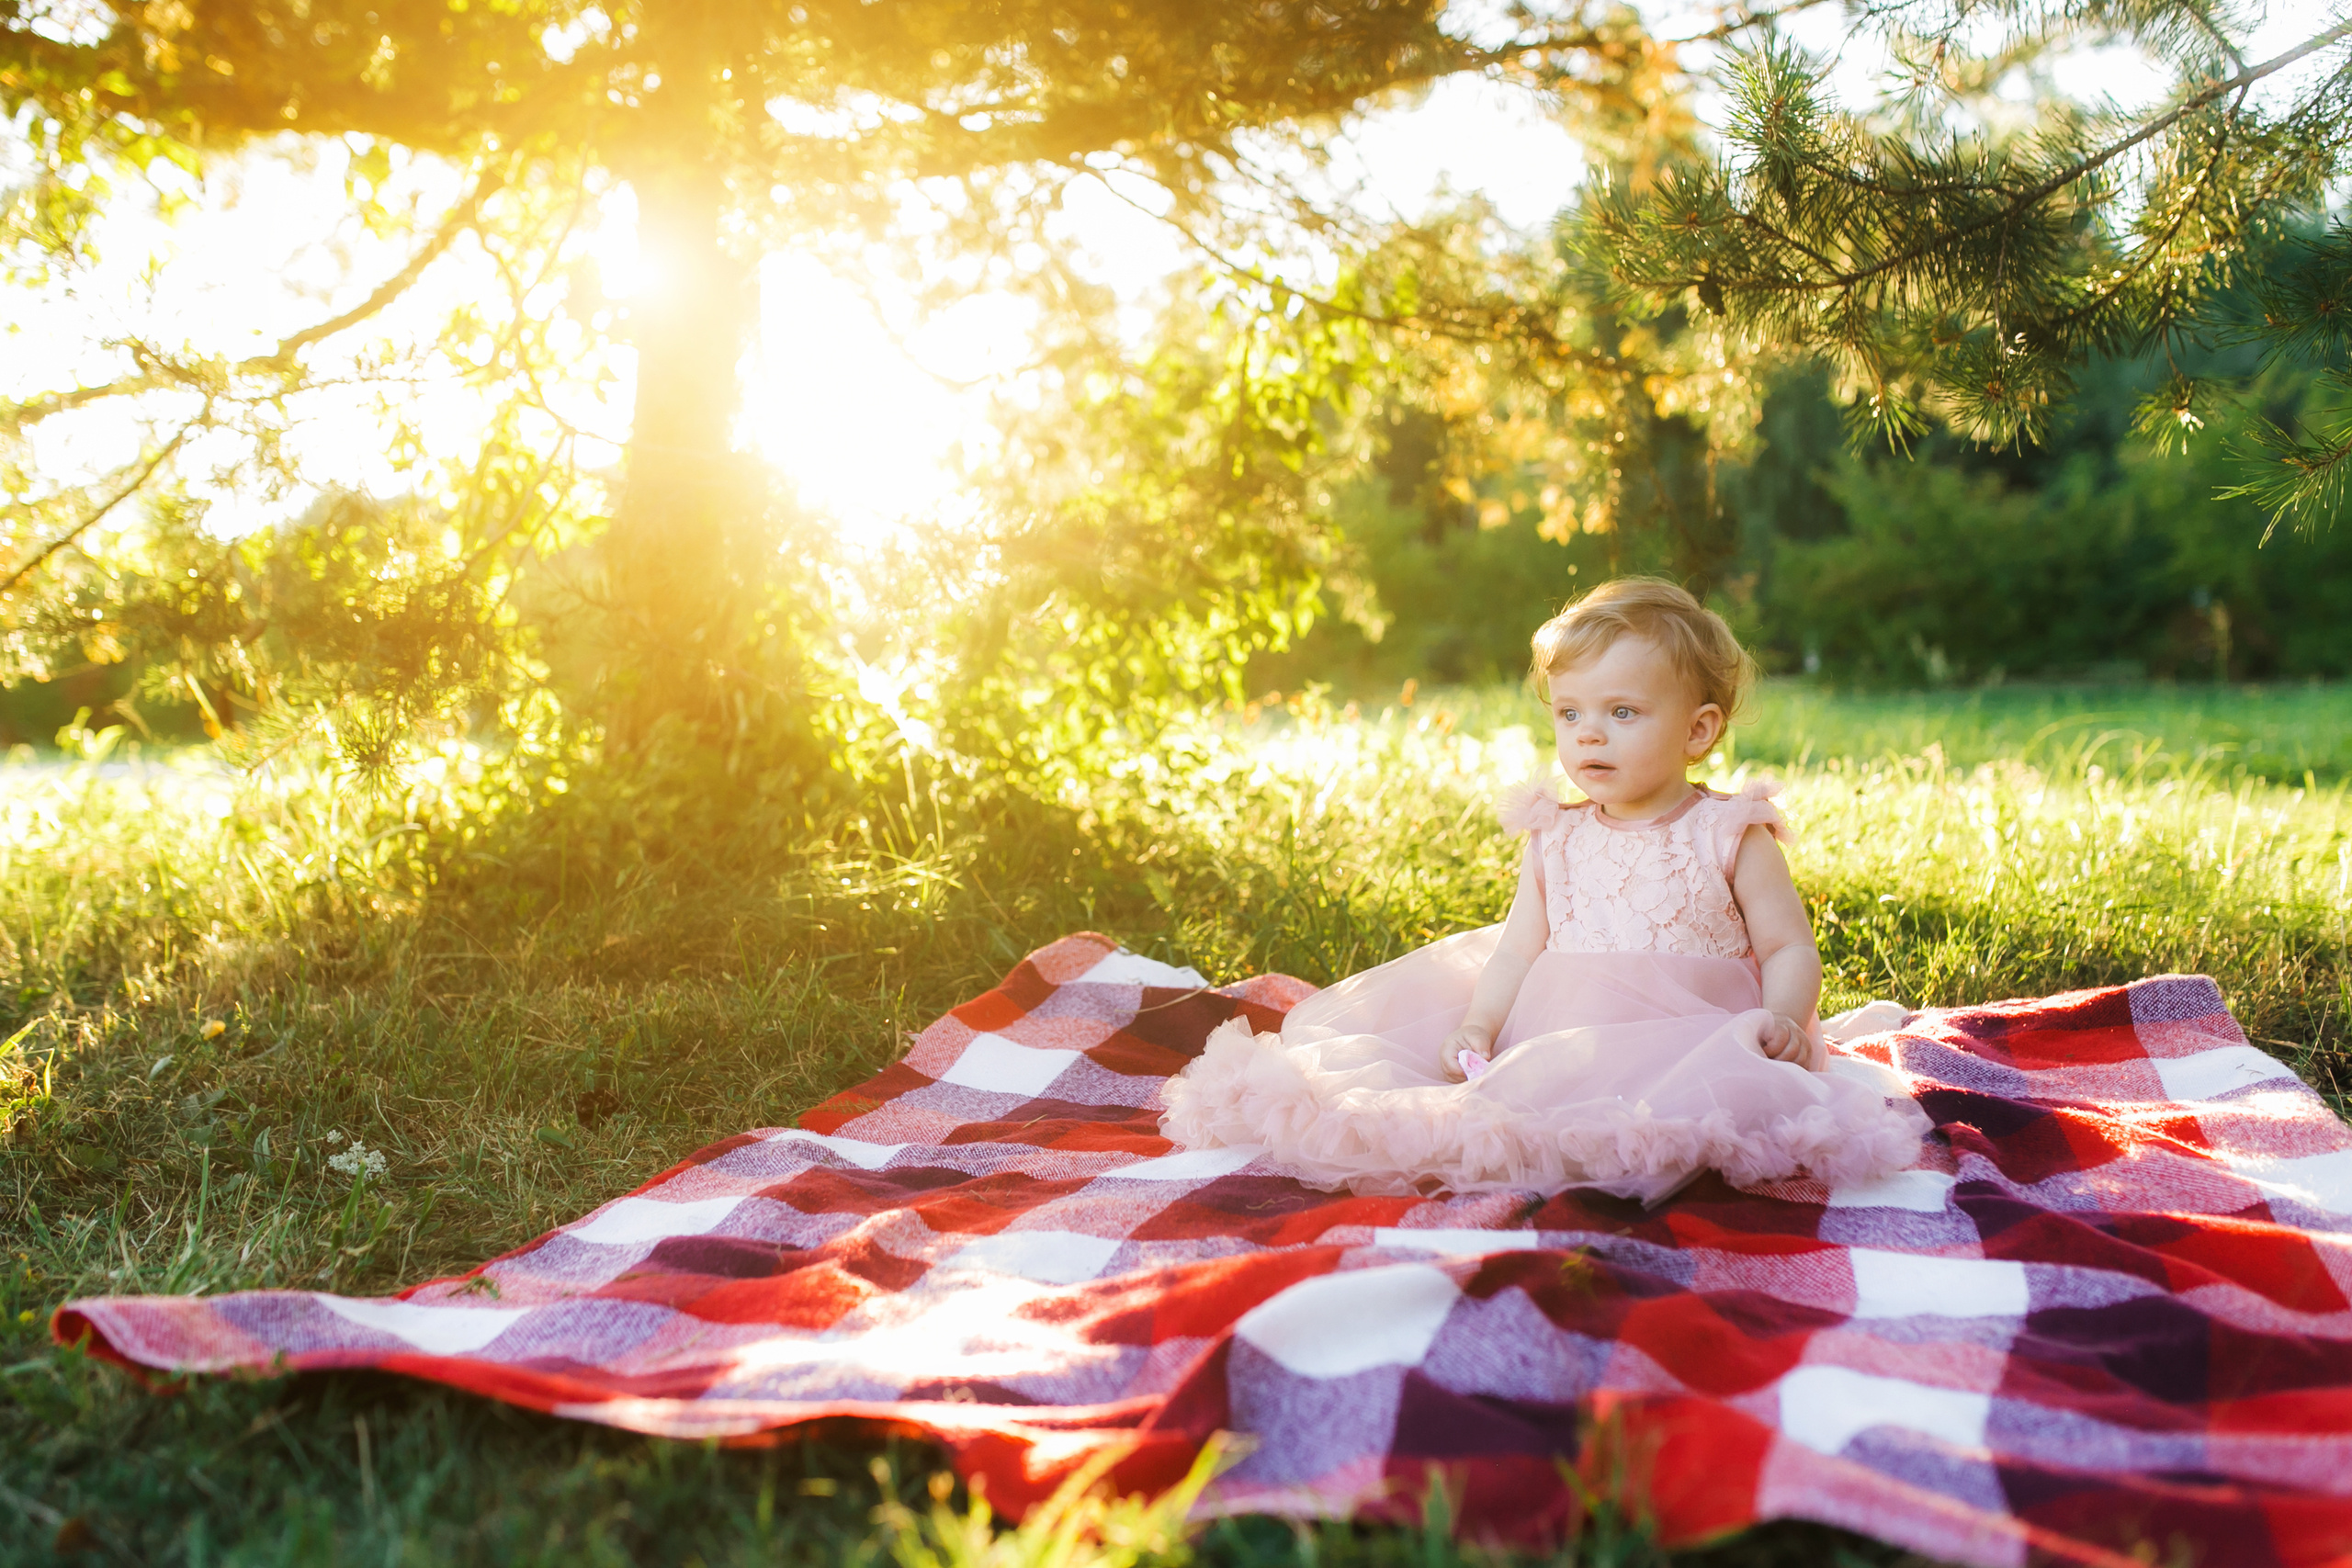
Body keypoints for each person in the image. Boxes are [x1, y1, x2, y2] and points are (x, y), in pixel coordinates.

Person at [1159, 578, 1928, 1202]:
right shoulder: (1555, 836)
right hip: (1561, 1036)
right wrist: (1480, 1024)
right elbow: (1517, 948)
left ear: (1698, 731)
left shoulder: (1730, 832)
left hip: (1694, 1037)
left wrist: (1786, 1019)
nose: (1588, 734)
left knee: (1691, 1120)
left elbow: (1787, 943)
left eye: (1621, 712)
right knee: (1496, 1104)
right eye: (1570, 713)